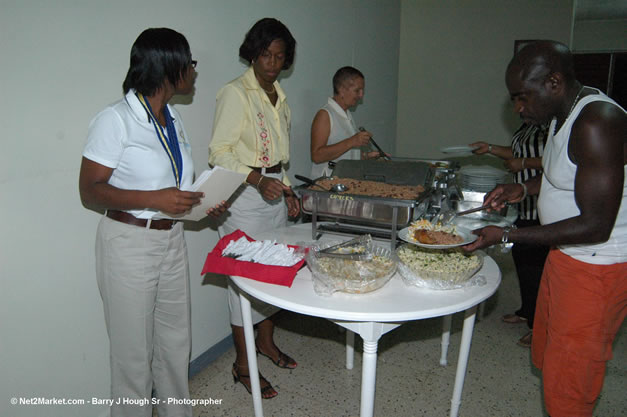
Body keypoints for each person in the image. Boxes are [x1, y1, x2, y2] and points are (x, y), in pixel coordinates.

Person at [464, 40, 626, 417]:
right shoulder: (561, 115)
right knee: (550, 355)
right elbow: (565, 177)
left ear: (553, 82)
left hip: (596, 267)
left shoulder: (598, 121)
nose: (519, 109)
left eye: (522, 98)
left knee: (571, 381)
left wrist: (507, 235)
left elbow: (596, 224)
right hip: (568, 256)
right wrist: (521, 188)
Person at [79, 28, 227, 417]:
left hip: (171, 240)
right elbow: (90, 190)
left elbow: (171, 185)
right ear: (168, 65)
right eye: (189, 63)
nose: (194, 71)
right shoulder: (116, 119)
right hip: (129, 244)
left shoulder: (171, 117)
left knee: (175, 346)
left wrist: (199, 200)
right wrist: (154, 199)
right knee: (132, 358)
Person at [208, 17, 300, 399]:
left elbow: (278, 157)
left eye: (280, 56)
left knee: (272, 274)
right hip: (244, 198)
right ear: (253, 53)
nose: (273, 63)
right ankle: (243, 364)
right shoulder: (236, 93)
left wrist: (289, 190)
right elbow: (219, 153)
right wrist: (258, 180)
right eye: (266, 54)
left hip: (273, 193)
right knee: (244, 283)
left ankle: (265, 344)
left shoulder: (279, 94)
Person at [470, 122, 549, 347]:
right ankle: (527, 311)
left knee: (538, 267)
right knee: (524, 260)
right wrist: (490, 149)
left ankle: (540, 327)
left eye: (522, 99)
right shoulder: (529, 126)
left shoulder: (552, 125)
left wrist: (524, 164)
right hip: (525, 199)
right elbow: (520, 151)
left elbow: (561, 163)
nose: (519, 107)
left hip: (542, 204)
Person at [310, 66, 383, 178]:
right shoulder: (325, 114)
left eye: (362, 91)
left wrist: (366, 156)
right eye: (357, 90)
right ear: (342, 90)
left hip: (346, 186)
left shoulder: (347, 115)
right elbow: (317, 155)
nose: (361, 95)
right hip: (327, 189)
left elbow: (342, 156)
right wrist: (352, 141)